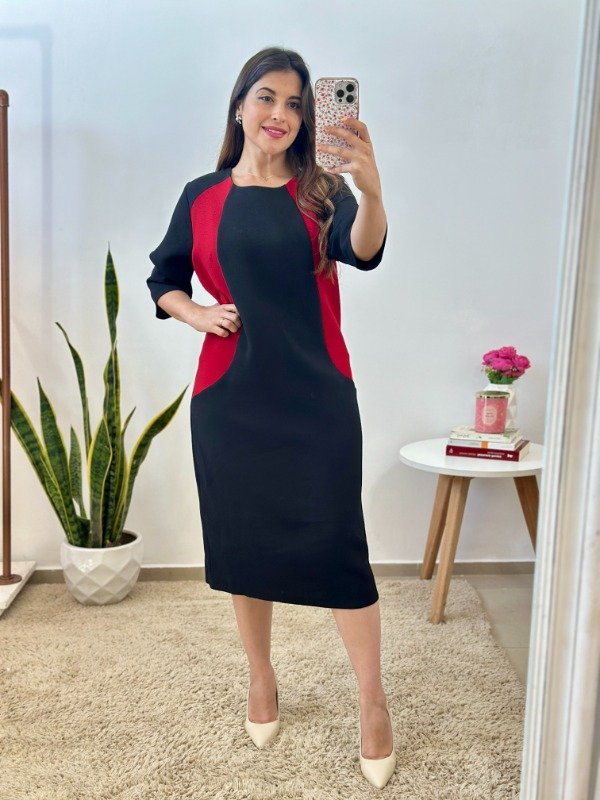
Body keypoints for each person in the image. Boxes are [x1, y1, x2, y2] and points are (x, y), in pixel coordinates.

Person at [146, 46, 395, 789]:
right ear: (239, 105)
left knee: (340, 548)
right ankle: (261, 676)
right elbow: (163, 277)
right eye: (266, 97)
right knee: (244, 545)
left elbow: (363, 252)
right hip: (230, 402)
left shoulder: (322, 191)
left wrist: (372, 190)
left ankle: (373, 702)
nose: (280, 114)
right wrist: (197, 314)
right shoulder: (201, 196)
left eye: (294, 103)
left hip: (318, 399)